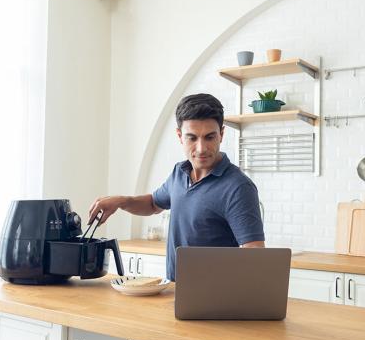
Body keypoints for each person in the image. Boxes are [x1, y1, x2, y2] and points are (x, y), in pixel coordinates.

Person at [88, 93, 265, 281]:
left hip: (215, 298)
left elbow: (254, 254)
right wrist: (122, 201)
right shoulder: (179, 172)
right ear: (180, 136)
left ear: (221, 134)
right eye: (192, 138)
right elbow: (153, 204)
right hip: (174, 288)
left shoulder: (238, 187)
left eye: (209, 137)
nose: (201, 148)